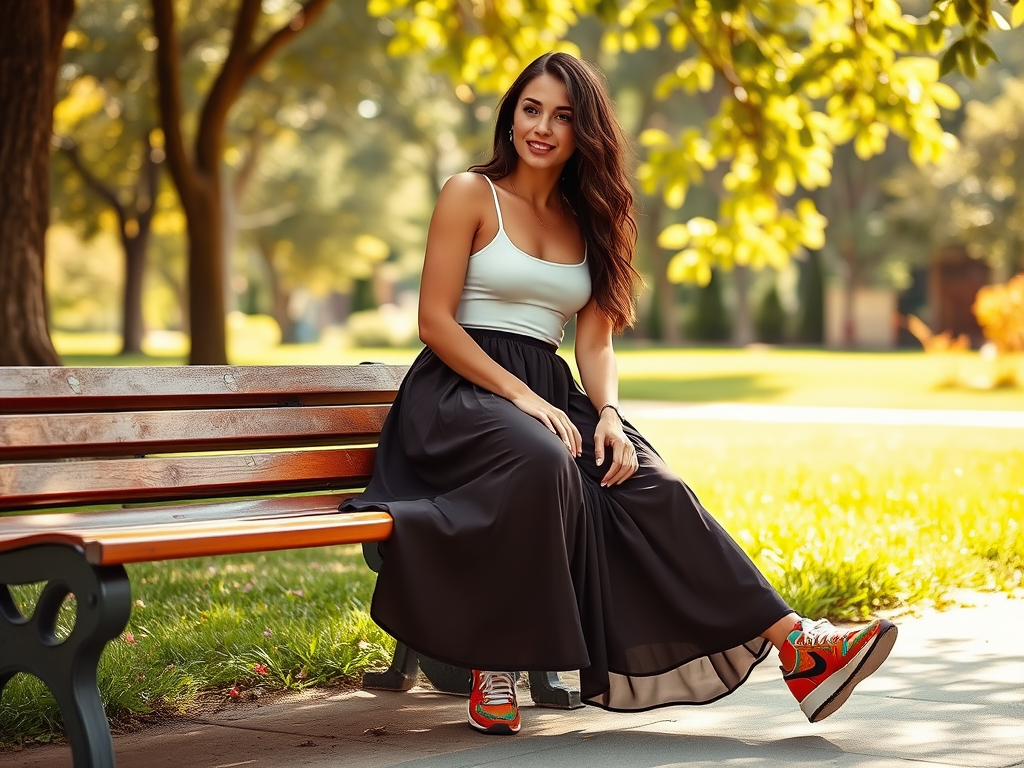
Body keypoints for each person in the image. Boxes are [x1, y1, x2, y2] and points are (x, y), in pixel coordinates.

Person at [341, 52, 896, 736]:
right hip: (459, 392)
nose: (543, 127)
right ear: (511, 114)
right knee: (540, 460)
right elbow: (435, 322)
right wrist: (524, 399)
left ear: (586, 132)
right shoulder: (468, 193)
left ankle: (798, 647)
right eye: (532, 109)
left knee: (650, 481)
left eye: (564, 116)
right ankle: (495, 659)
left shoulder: (595, 217)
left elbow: (596, 342)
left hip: (548, 390)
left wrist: (606, 412)